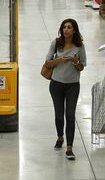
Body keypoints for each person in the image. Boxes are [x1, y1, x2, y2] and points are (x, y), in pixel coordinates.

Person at [44, 19, 87, 160]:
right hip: (56, 84)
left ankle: (69, 148)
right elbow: (47, 63)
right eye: (64, 27)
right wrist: (59, 60)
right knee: (59, 114)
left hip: (73, 85)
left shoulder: (79, 46)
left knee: (70, 115)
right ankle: (60, 137)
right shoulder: (56, 43)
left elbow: (82, 67)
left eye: (69, 27)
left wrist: (75, 62)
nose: (66, 30)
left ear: (74, 30)